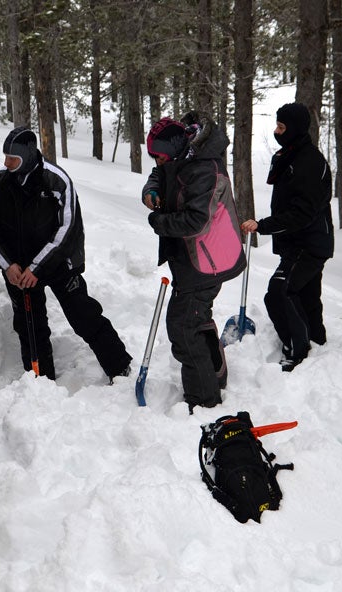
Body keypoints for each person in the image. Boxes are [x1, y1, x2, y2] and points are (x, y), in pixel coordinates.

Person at [0, 126, 132, 383]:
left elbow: (67, 229)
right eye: (5, 157)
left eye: (12, 159)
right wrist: (8, 265)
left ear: (27, 156)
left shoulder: (56, 180)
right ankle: (40, 380)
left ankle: (120, 367)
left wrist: (37, 267)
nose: (6, 164)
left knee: (83, 315)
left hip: (59, 261)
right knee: (29, 324)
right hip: (19, 268)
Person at [142, 113, 245, 413]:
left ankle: (204, 400)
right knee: (194, 318)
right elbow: (160, 174)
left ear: (174, 148)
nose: (157, 162)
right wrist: (152, 191)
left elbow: (196, 221)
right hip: (191, 258)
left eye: (159, 156)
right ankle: (214, 373)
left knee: (183, 327)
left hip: (208, 259)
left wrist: (158, 221)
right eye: (154, 157)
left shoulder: (204, 169)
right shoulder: (180, 155)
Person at [241, 102, 333, 372]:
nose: (277, 132)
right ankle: (316, 338)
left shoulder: (309, 163)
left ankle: (297, 349)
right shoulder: (290, 155)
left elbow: (301, 213)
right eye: (277, 126)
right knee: (305, 293)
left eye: (282, 127)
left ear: (294, 129)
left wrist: (263, 226)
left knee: (280, 292)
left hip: (309, 243)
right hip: (301, 241)